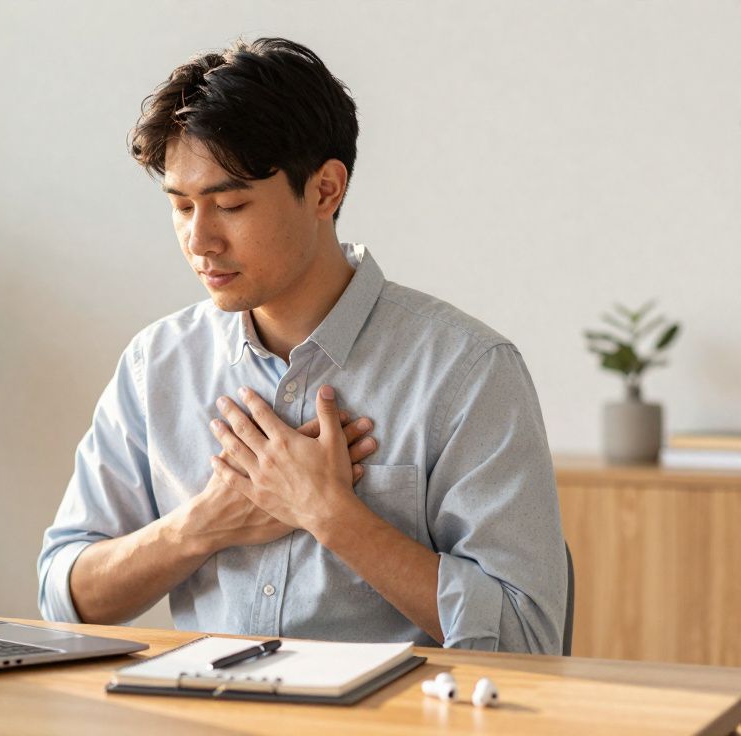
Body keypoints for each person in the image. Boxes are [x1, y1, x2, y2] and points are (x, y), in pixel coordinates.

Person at [36, 37, 567, 653]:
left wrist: (330, 514)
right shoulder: (156, 363)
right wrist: (202, 526)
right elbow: (63, 596)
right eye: (181, 207)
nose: (199, 240)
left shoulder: (469, 371)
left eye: (229, 204)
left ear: (325, 191)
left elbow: (527, 639)